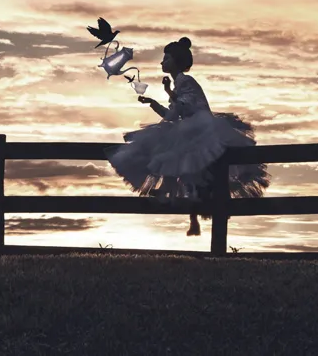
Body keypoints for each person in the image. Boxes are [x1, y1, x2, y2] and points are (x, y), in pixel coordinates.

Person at [106, 37, 270, 236]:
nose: (162, 62)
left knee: (169, 146)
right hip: (191, 126)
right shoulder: (179, 84)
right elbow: (172, 115)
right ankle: (187, 209)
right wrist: (152, 103)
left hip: (200, 126)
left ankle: (174, 193)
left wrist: (168, 91)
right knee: (178, 156)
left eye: (166, 59)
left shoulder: (186, 81)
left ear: (176, 61)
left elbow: (187, 108)